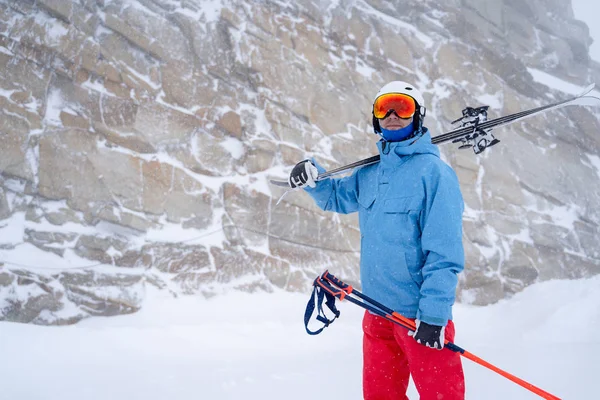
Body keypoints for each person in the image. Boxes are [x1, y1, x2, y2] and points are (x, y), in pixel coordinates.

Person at [289, 81, 466, 399]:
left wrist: (435, 314)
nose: (394, 115)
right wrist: (312, 177)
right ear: (376, 117)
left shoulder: (434, 174)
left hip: (420, 316)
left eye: (404, 107)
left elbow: (444, 250)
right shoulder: (368, 174)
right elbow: (336, 198)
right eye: (386, 107)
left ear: (418, 116)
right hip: (377, 313)